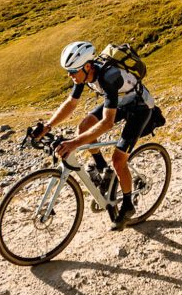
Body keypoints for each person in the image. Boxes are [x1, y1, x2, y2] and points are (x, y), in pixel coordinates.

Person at [33, 41, 155, 230]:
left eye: (73, 71)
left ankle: (128, 205)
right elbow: (71, 103)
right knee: (84, 126)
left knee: (118, 159)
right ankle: (102, 169)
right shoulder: (84, 75)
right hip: (121, 101)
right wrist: (48, 126)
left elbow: (107, 123)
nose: (70, 75)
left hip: (139, 108)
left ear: (87, 66)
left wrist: (74, 144)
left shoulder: (108, 77)